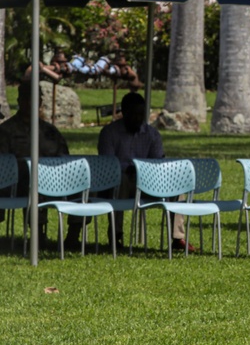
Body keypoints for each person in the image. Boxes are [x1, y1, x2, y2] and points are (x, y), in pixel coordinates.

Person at [84, 91, 190, 250]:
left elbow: (158, 163)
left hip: (147, 182)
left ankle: (177, 237)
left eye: (141, 114)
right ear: (124, 112)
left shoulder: (152, 134)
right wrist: (129, 170)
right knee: (121, 180)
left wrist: (145, 171)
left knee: (176, 187)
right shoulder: (110, 133)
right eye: (134, 114)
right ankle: (116, 236)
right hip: (116, 182)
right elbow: (107, 164)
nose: (138, 118)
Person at [0, 81, 70, 236]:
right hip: (16, 183)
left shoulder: (49, 131)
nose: (31, 103)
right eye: (27, 98)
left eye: (35, 99)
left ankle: (74, 235)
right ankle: (37, 232)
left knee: (81, 188)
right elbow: (3, 164)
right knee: (33, 181)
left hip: (53, 181)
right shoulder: (6, 131)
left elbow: (64, 157)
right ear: (19, 101)